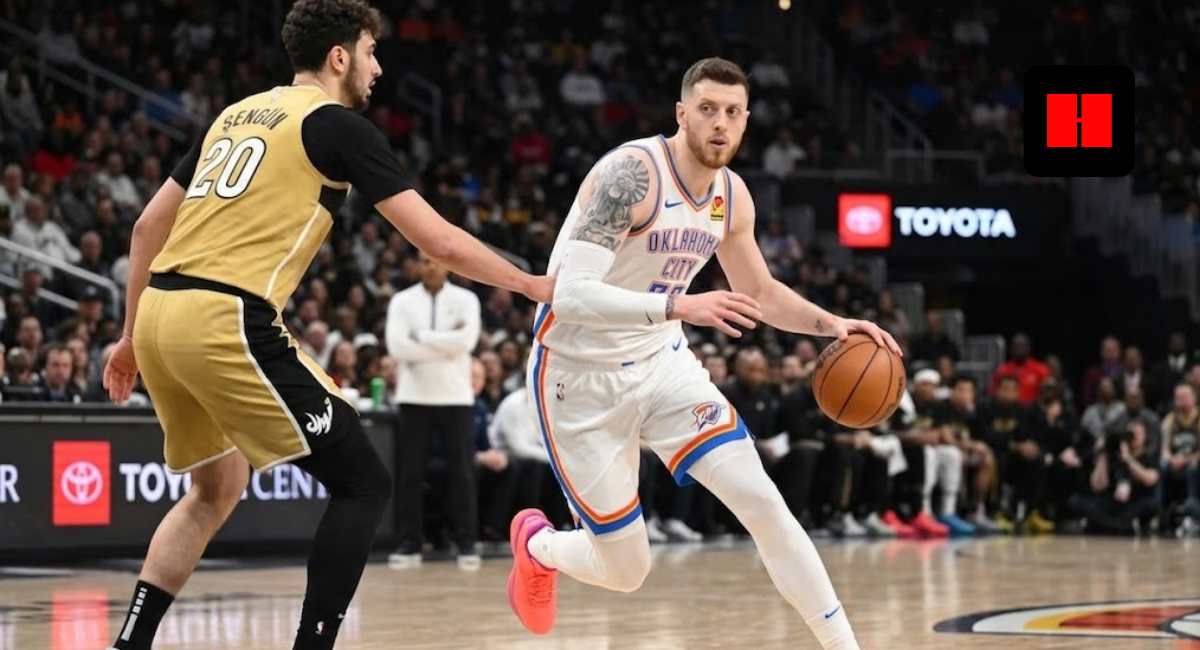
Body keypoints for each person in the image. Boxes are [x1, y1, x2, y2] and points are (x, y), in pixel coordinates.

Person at [100, 2, 551, 649]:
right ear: (339, 57)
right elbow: (441, 244)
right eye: (370, 51)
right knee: (364, 482)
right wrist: (531, 284)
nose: (378, 66)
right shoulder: (336, 125)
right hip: (224, 313)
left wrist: (127, 335)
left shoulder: (232, 115)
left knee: (215, 487)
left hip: (160, 314)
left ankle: (130, 643)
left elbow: (147, 226)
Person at [505, 57, 899, 650]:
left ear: (746, 123)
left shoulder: (733, 197)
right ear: (682, 114)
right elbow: (570, 293)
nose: (720, 123)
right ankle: (537, 546)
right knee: (626, 570)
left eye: (733, 113)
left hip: (663, 364)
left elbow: (761, 293)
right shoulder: (630, 175)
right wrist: (676, 307)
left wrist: (832, 325)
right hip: (577, 374)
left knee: (763, 500)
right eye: (708, 110)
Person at [385, 252, 483, 570]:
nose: (431, 267)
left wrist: (423, 339)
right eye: (424, 261)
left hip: (456, 396)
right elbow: (397, 348)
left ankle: (466, 542)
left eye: (436, 261)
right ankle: (409, 543)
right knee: (410, 474)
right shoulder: (401, 301)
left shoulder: (467, 299)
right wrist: (445, 345)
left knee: (462, 474)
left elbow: (466, 342)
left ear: (446, 266)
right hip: (413, 396)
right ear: (416, 266)